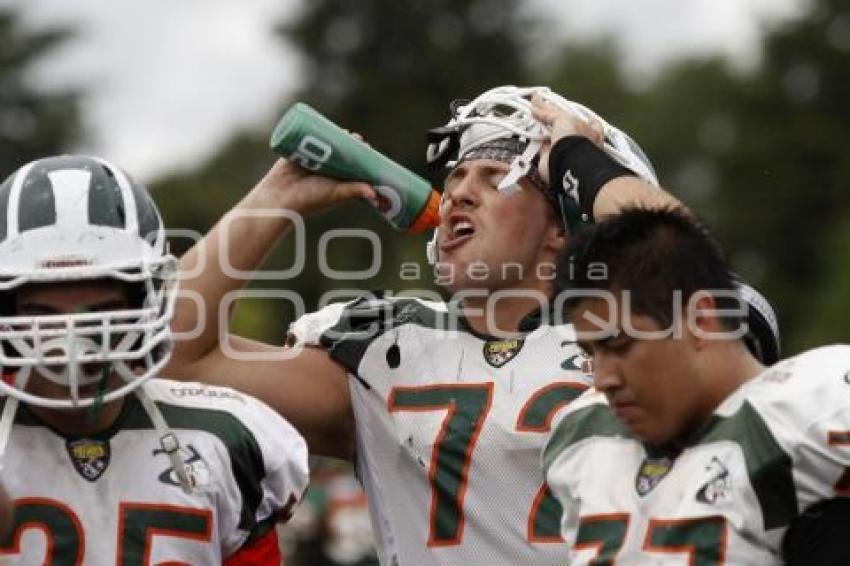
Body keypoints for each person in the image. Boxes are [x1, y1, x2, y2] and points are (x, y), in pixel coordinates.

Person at [164, 86, 770, 564]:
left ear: (565, 222)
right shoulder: (387, 347)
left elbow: (692, 273)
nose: (459, 194)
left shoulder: (637, 338)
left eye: (493, 179)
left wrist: (575, 159)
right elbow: (170, 353)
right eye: (455, 177)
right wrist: (278, 198)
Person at [0, 156, 309, 564]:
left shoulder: (225, 436)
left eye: (100, 313)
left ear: (147, 299)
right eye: (44, 315)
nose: (73, 343)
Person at [543, 206, 850, 565]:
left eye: (619, 345)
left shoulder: (813, 405)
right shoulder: (583, 436)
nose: (602, 379)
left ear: (700, 319)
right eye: (590, 351)